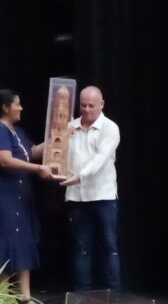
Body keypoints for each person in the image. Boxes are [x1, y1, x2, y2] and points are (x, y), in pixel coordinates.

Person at [0, 89, 53, 303]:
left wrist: (60, 136)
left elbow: (34, 150)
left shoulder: (16, 131)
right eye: (17, 104)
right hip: (1, 196)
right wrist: (38, 169)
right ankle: (1, 296)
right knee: (5, 241)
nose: (21, 108)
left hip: (19, 196)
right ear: (5, 108)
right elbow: (4, 160)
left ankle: (25, 296)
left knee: (22, 240)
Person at [60, 85, 121, 291]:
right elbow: (57, 151)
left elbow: (101, 159)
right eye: (83, 105)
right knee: (81, 249)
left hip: (103, 196)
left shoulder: (110, 128)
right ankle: (81, 296)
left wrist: (80, 176)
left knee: (109, 248)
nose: (86, 110)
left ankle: (113, 295)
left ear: (101, 105)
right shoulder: (70, 127)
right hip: (77, 197)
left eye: (91, 106)